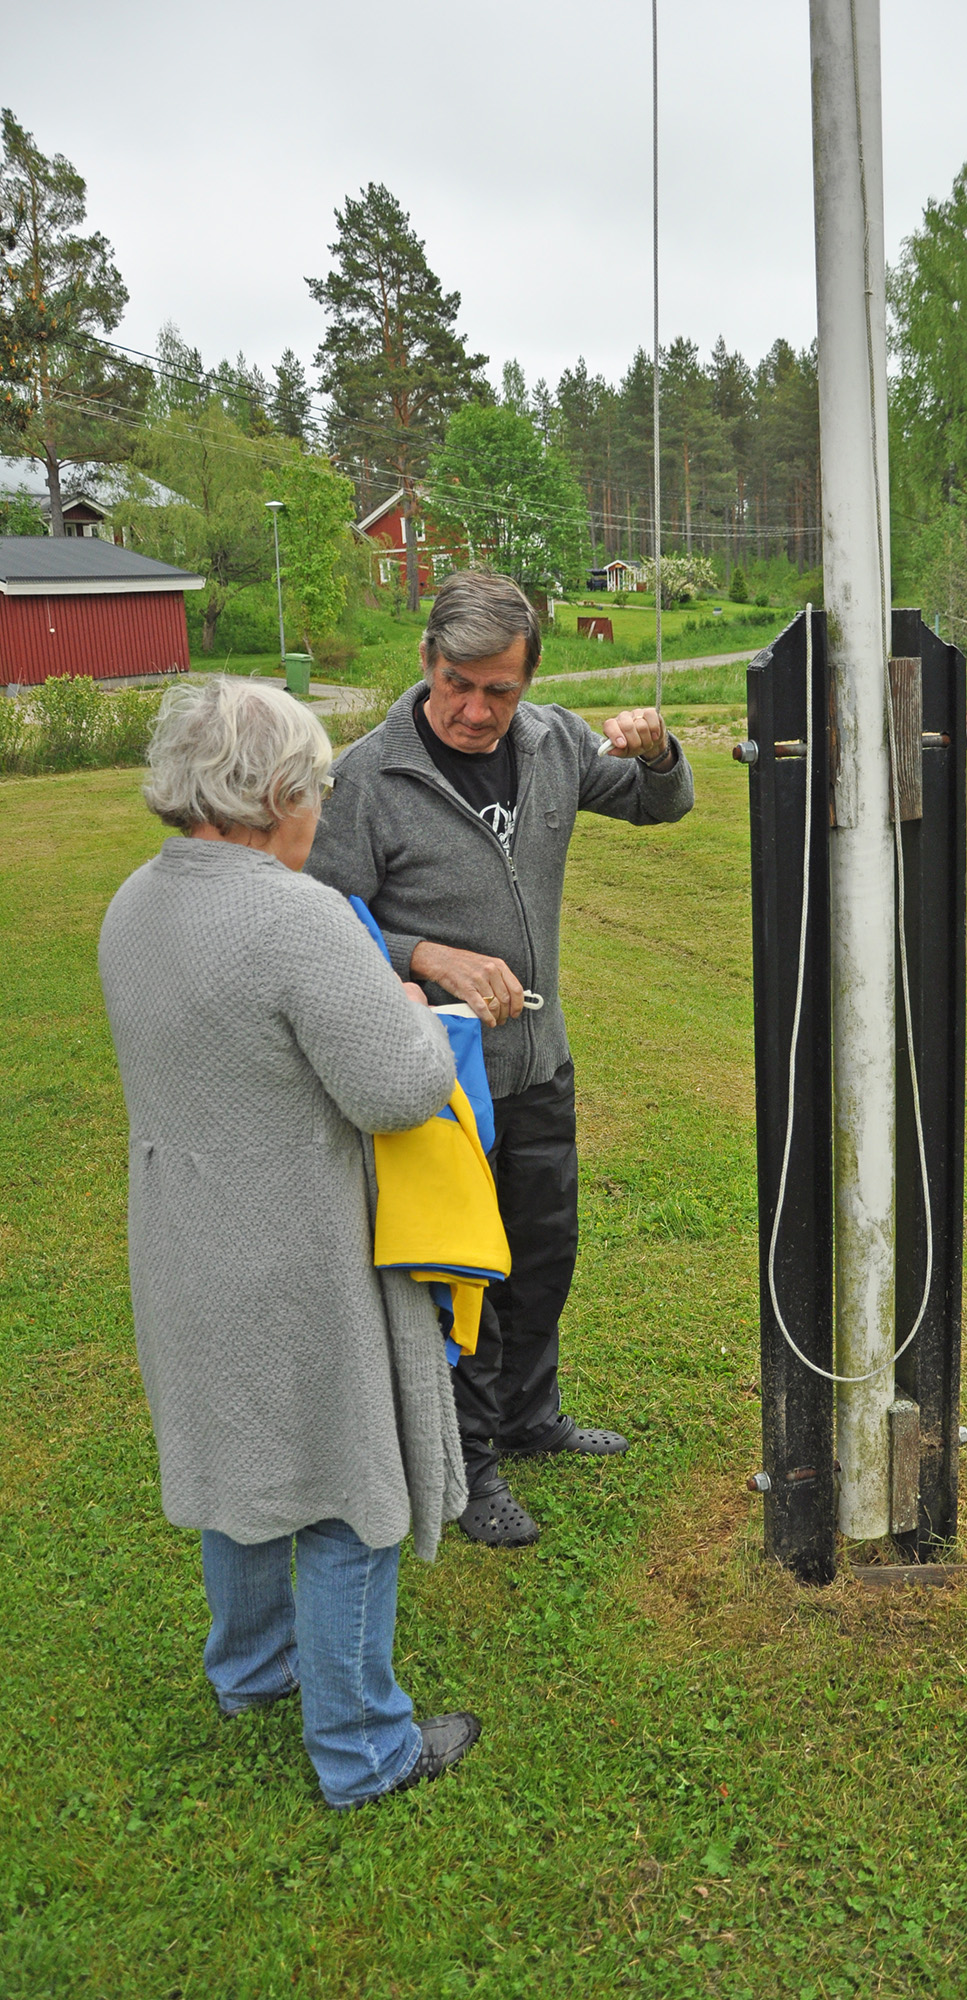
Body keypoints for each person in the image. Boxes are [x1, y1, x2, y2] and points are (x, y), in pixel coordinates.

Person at [98, 676, 482, 1810]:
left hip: (183, 1235)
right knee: (342, 1480)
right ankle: (364, 1745)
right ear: (273, 793)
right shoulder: (291, 912)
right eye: (314, 786)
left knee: (240, 1460)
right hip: (291, 1248)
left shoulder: (135, 899)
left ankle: (250, 1671)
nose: (320, 806)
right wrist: (417, 1018)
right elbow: (395, 1087)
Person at [307, 569, 694, 1546]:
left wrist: (658, 755)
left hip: (538, 1063)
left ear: (527, 682)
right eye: (458, 683)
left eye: (500, 690)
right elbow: (317, 926)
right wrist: (422, 954)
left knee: (543, 1252)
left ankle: (528, 1417)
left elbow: (660, 805)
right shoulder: (368, 777)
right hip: (436, 1081)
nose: (476, 710)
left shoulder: (554, 741)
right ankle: (468, 1466)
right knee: (466, 1274)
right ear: (427, 663)